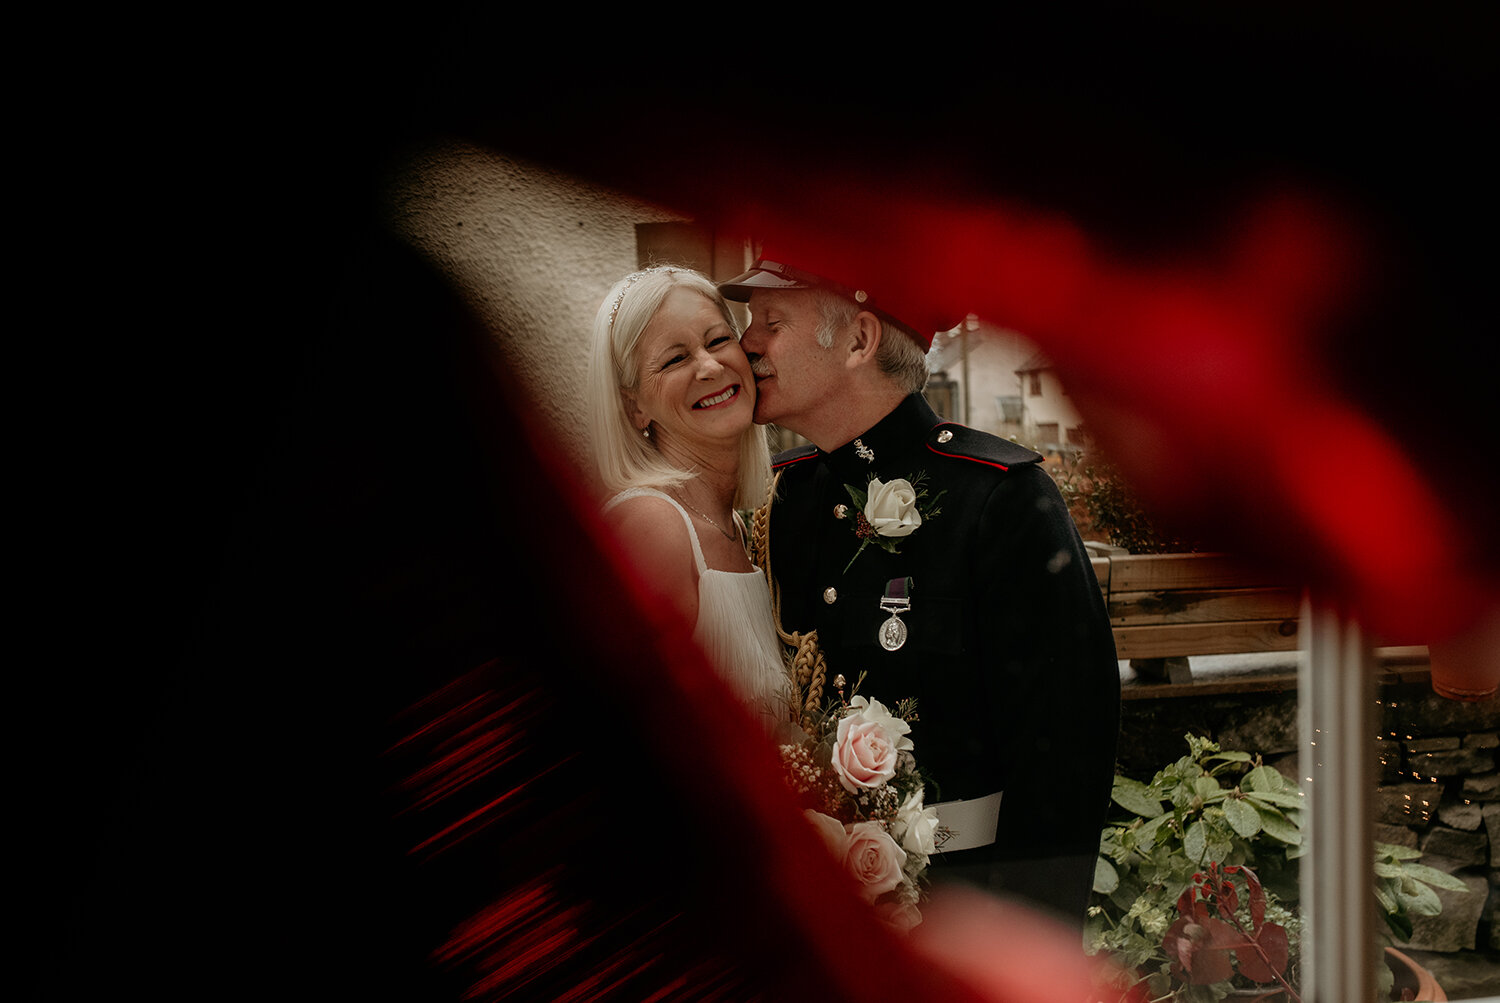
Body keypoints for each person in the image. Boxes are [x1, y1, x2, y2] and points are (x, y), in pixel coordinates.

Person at [718, 257, 1121, 924]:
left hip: (959, 913)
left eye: (772, 322)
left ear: (859, 340)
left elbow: (1063, 763)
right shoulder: (779, 500)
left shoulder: (999, 499)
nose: (746, 343)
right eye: (747, 323)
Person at [588, 265, 790, 726]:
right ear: (634, 406)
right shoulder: (652, 527)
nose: (710, 366)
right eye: (675, 359)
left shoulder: (743, 529)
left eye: (718, 340)